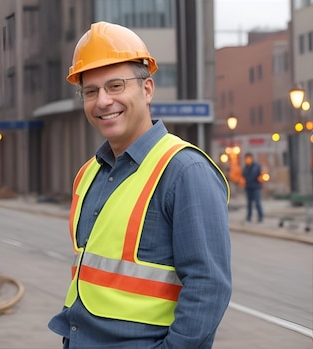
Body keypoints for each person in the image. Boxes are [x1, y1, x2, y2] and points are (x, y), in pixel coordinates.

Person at [48, 21, 232, 348]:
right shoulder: (88, 174)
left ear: (147, 90)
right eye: (90, 91)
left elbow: (208, 288)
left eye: (115, 86)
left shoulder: (184, 171)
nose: (103, 101)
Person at [242, 152, 264, 222]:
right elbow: (243, 177)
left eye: (249, 159)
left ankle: (260, 217)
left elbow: (261, 174)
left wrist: (261, 178)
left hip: (255, 187)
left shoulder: (257, 167)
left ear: (252, 158)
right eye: (246, 159)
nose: (247, 160)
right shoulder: (245, 168)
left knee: (257, 203)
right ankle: (249, 217)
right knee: (249, 203)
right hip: (248, 187)